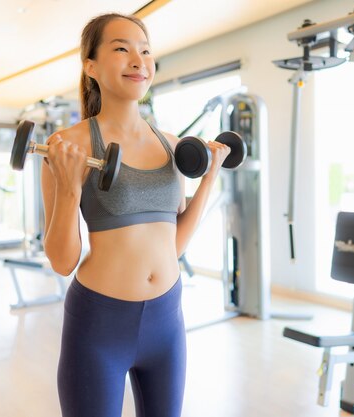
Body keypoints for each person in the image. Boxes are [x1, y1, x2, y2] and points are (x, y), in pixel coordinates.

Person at [41, 12, 230, 417]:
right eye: (121, 49)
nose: (138, 60)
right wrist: (71, 185)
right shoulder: (67, 146)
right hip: (98, 326)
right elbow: (62, 261)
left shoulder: (174, 146)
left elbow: (172, 244)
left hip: (167, 321)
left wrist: (209, 181)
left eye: (145, 51)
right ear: (90, 66)